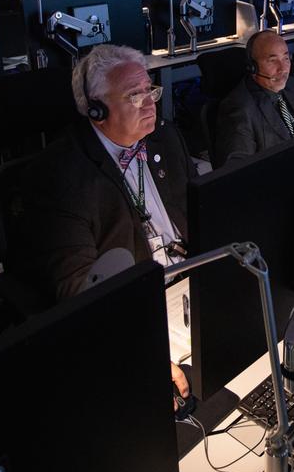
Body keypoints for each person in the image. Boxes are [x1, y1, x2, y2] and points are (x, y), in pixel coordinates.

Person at [13, 44, 195, 301]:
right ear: (97, 111)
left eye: (150, 91)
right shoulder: (60, 176)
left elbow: (200, 207)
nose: (149, 105)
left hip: (193, 273)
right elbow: (78, 286)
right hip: (136, 297)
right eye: (134, 95)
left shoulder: (164, 137)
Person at [215, 30, 294, 164]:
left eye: (286, 58)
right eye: (272, 61)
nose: (283, 69)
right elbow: (239, 171)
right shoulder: (239, 108)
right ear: (252, 67)